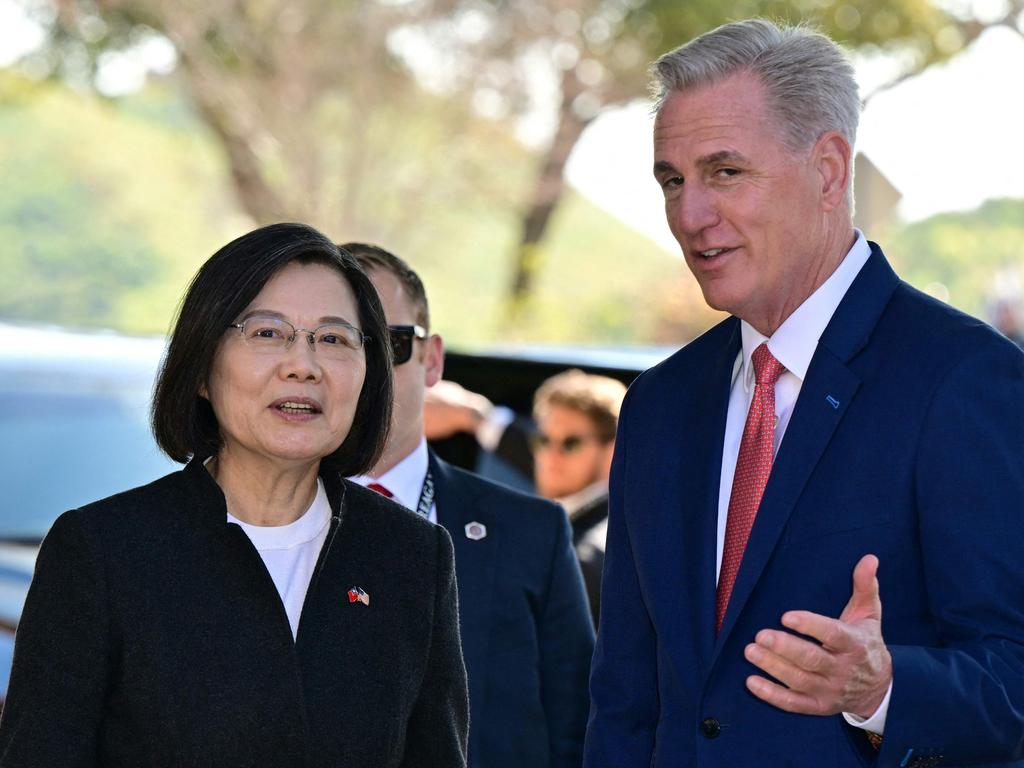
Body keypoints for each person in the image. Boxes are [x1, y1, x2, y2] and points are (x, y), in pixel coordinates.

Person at [584, 19, 1024, 768]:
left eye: (725, 172)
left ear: (826, 171)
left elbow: (1012, 682)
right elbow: (626, 703)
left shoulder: (963, 379)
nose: (690, 216)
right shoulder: (658, 404)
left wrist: (882, 690)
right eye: (672, 180)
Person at [0, 223, 469, 768]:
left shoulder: (412, 555)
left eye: (334, 338)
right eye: (268, 333)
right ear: (201, 368)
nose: (303, 364)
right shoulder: (104, 551)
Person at [342, 242, 595, 768]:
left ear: (431, 359)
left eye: (388, 343)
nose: (365, 368)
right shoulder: (253, 522)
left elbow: (581, 732)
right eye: (336, 341)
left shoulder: (532, 534)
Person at [531, 370, 625, 626]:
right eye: (543, 440)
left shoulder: (588, 555)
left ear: (613, 448)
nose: (551, 455)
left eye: (570, 443)